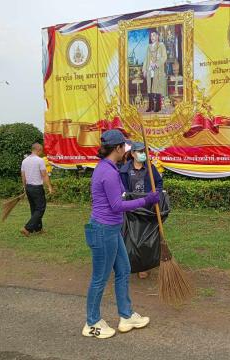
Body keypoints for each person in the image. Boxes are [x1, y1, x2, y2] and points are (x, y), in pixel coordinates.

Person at [82, 130, 160, 339]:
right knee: (100, 278)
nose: (126, 150)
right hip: (103, 231)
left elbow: (117, 198)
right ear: (116, 149)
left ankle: (126, 316)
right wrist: (147, 200)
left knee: (124, 271)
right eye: (124, 147)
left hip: (112, 230)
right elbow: (117, 205)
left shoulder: (109, 168)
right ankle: (92, 323)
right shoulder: (107, 172)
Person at [119, 141, 163, 279]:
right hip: (131, 209)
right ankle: (132, 263)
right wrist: (126, 198)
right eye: (140, 151)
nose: (143, 154)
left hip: (148, 209)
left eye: (144, 151)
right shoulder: (125, 170)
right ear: (132, 154)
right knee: (132, 238)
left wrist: (157, 194)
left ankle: (145, 266)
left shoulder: (150, 168)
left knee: (147, 237)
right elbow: (122, 189)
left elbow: (159, 183)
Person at [20, 143, 53, 237]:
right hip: (37, 188)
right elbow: (44, 174)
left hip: (28, 187)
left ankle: (38, 229)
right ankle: (27, 228)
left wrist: (24, 187)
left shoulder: (24, 161)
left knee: (34, 209)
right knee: (41, 208)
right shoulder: (39, 160)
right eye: (41, 150)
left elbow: (23, 175)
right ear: (38, 149)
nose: (41, 152)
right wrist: (50, 187)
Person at [142, 30, 167, 113]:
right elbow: (146, 59)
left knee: (158, 88)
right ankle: (151, 106)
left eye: (153, 35)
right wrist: (144, 69)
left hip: (158, 70)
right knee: (150, 89)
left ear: (157, 36)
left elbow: (164, 57)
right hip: (150, 71)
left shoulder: (161, 45)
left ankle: (158, 107)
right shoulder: (148, 47)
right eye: (151, 36)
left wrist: (156, 64)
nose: (152, 37)